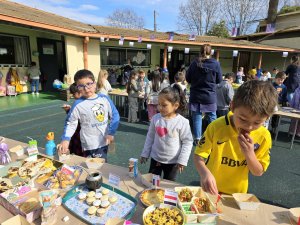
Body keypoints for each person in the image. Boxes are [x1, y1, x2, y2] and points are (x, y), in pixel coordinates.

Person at [194, 80, 278, 195]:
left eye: (257, 122)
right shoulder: (216, 127)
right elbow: (198, 156)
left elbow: (258, 172)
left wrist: (249, 153)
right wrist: (204, 174)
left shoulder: (264, 136)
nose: (249, 127)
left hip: (238, 194)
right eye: (243, 119)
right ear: (232, 106)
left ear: (267, 118)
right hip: (210, 189)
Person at [58, 69, 120, 161]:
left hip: (103, 142)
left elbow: (115, 116)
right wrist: (66, 139)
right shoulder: (77, 104)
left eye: (89, 84)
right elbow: (71, 123)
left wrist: (111, 133)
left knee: (100, 167)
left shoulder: (104, 99)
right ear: (77, 87)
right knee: (90, 167)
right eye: (81, 86)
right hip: (88, 144)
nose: (86, 89)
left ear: (94, 83)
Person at [140, 84, 193, 181]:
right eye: (158, 104)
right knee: (152, 183)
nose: (160, 107)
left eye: (164, 105)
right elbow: (150, 137)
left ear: (175, 105)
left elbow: (188, 142)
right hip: (156, 159)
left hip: (173, 162)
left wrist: (182, 160)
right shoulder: (156, 118)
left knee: (169, 186)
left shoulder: (182, 122)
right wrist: (145, 153)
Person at [186, 44, 222, 146]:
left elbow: (188, 78)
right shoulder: (216, 64)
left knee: (197, 116)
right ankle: (213, 137)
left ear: (200, 51)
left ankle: (197, 138)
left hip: (196, 94)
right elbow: (219, 80)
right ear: (211, 52)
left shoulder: (194, 63)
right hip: (209, 95)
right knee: (212, 116)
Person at [61, 83, 84, 156]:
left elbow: (77, 118)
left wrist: (69, 111)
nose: (73, 96)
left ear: (79, 92)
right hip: (76, 132)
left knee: (81, 151)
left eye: (74, 94)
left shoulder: (82, 103)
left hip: (81, 133)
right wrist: (69, 110)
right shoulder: (78, 102)